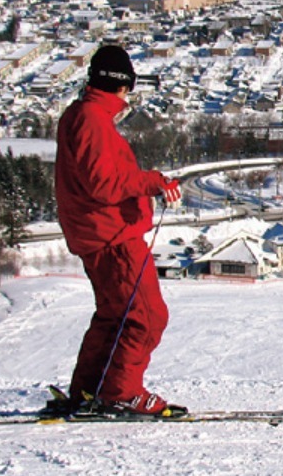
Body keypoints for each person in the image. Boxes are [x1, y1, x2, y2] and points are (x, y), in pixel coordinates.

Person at [52, 44, 185, 417]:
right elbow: (103, 183)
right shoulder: (92, 120)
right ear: (121, 85)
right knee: (146, 315)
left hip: (97, 234)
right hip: (112, 237)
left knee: (114, 314)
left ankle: (89, 390)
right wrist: (151, 182)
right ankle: (121, 391)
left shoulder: (79, 116)